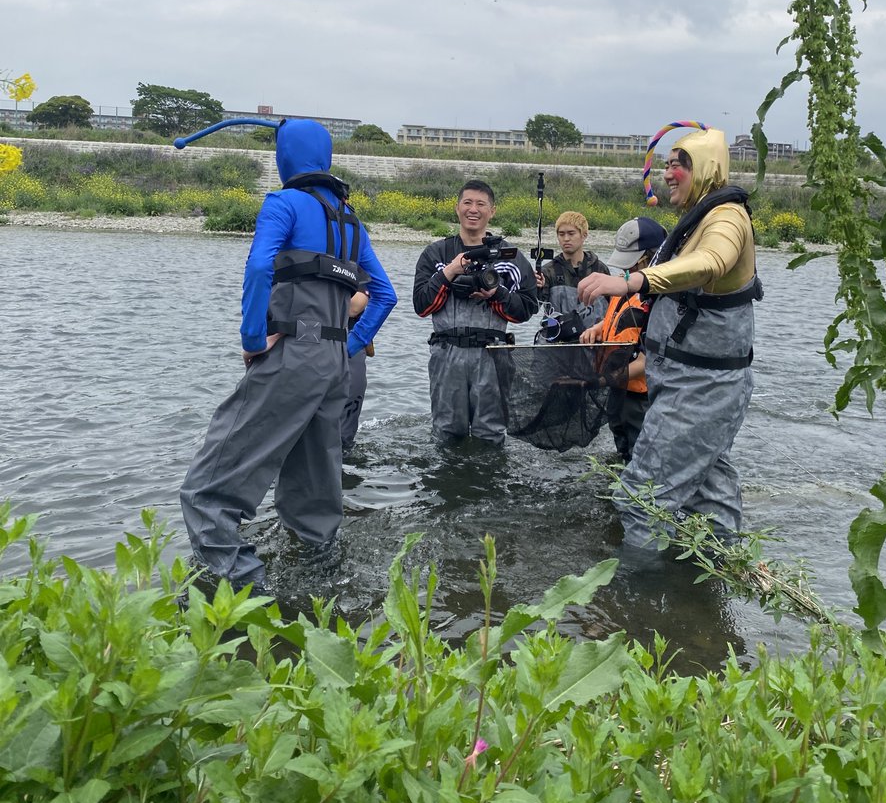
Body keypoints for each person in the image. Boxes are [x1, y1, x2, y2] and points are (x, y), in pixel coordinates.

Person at [180, 119, 397, 593]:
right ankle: (319, 591)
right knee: (315, 498)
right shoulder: (349, 220)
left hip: (291, 358)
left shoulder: (283, 202)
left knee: (206, 492)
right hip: (335, 366)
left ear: (285, 157)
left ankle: (243, 597)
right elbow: (385, 296)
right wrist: (349, 345)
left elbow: (260, 266)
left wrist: (254, 339)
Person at [577, 128, 762, 548]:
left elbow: (710, 262)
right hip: (687, 382)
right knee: (708, 499)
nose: (668, 172)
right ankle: (714, 593)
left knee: (640, 499)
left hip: (701, 387)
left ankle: (633, 601)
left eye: (679, 163)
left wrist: (632, 280)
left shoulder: (727, 217)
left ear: (706, 167)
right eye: (666, 163)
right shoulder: (701, 218)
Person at [413, 179, 539, 444]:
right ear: (457, 208)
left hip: (494, 356)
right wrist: (450, 272)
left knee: (491, 435)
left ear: (492, 211)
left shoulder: (510, 256)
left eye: (481, 204)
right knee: (446, 433)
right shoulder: (435, 253)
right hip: (447, 353)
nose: (473, 209)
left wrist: (496, 294)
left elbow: (527, 309)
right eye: (467, 203)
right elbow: (421, 306)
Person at [579, 216, 667, 463]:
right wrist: (599, 327)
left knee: (642, 458)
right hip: (620, 390)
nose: (625, 272)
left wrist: (602, 380)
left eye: (632, 266)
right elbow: (624, 318)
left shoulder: (663, 300)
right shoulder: (625, 286)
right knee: (622, 449)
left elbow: (647, 361)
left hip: (642, 398)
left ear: (652, 258)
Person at [535, 211, 611, 314]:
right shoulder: (548, 271)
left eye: (571, 233)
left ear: (584, 235)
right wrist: (535, 288)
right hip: (558, 329)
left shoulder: (600, 269)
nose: (566, 239)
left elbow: (613, 308)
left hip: (595, 330)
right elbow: (533, 309)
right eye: (561, 234)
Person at [341, 288, 374, 453]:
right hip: (309, 344)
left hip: (350, 341)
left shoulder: (356, 266)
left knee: (344, 436)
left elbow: (355, 307)